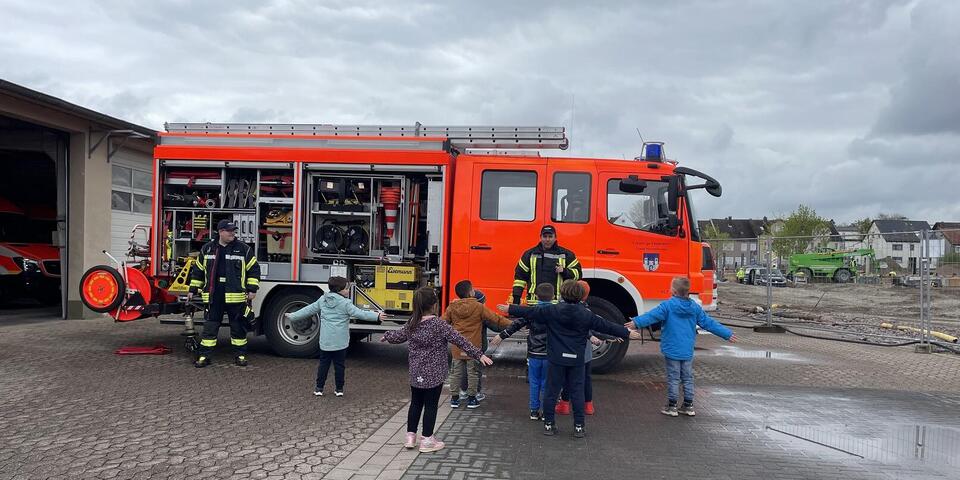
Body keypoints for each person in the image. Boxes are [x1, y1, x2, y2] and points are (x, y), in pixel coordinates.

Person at [498, 280, 638, 438]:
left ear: (562, 293)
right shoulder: (586, 314)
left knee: (551, 392)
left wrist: (510, 308)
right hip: (577, 360)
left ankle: (549, 425)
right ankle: (579, 427)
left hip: (556, 359)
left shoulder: (553, 310)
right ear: (580, 296)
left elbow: (531, 313)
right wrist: (626, 333)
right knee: (577, 392)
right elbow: (605, 325)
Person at [382, 287, 494, 453]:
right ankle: (427, 440)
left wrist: (387, 336)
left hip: (416, 373)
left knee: (416, 403)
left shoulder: (412, 323)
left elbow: (398, 336)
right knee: (431, 405)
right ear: (434, 305)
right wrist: (479, 354)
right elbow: (460, 340)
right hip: (434, 374)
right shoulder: (439, 325)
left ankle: (410, 437)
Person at [626, 276, 737, 417]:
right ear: (688, 291)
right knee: (688, 377)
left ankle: (672, 406)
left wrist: (636, 323)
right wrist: (727, 334)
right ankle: (688, 405)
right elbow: (709, 323)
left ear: (673, 290)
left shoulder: (667, 306)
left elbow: (651, 316)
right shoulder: (695, 308)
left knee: (673, 377)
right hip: (687, 349)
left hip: (672, 348)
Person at [283, 276, 385, 396]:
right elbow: (360, 314)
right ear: (339, 290)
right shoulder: (346, 303)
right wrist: (376, 316)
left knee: (323, 365)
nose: (348, 291)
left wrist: (293, 316)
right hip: (340, 342)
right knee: (339, 366)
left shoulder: (322, 300)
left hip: (326, 341)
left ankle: (319, 388)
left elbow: (308, 310)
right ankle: (339, 390)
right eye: (346, 289)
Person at [188, 219, 260, 368]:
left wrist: (252, 289)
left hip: (235, 296)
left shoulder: (243, 249)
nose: (233, 233)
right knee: (210, 328)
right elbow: (198, 271)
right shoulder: (207, 249)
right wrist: (192, 289)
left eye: (234, 230)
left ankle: (240, 355)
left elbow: (253, 269)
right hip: (214, 296)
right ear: (221, 232)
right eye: (229, 231)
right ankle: (204, 356)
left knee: (238, 328)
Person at [443, 281, 512, 409]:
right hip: (474, 348)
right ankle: (472, 399)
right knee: (473, 373)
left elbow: (442, 323)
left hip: (457, 347)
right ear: (471, 293)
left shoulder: (452, 307)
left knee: (455, 373)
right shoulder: (479, 307)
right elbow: (496, 318)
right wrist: (514, 324)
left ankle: (454, 399)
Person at [490, 282, 554, 420]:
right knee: (546, 384)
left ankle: (533, 411)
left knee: (534, 383)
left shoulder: (531, 312)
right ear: (553, 296)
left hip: (534, 353)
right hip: (550, 354)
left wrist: (501, 335)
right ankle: (545, 412)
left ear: (536, 296)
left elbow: (516, 324)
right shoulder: (556, 312)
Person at [512, 225, 581, 305]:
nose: (547, 239)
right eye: (545, 236)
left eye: (550, 236)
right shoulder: (530, 254)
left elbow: (578, 275)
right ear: (540, 237)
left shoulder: (566, 254)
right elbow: (520, 279)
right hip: (534, 303)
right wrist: (516, 300)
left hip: (556, 303)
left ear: (555, 238)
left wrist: (564, 271)